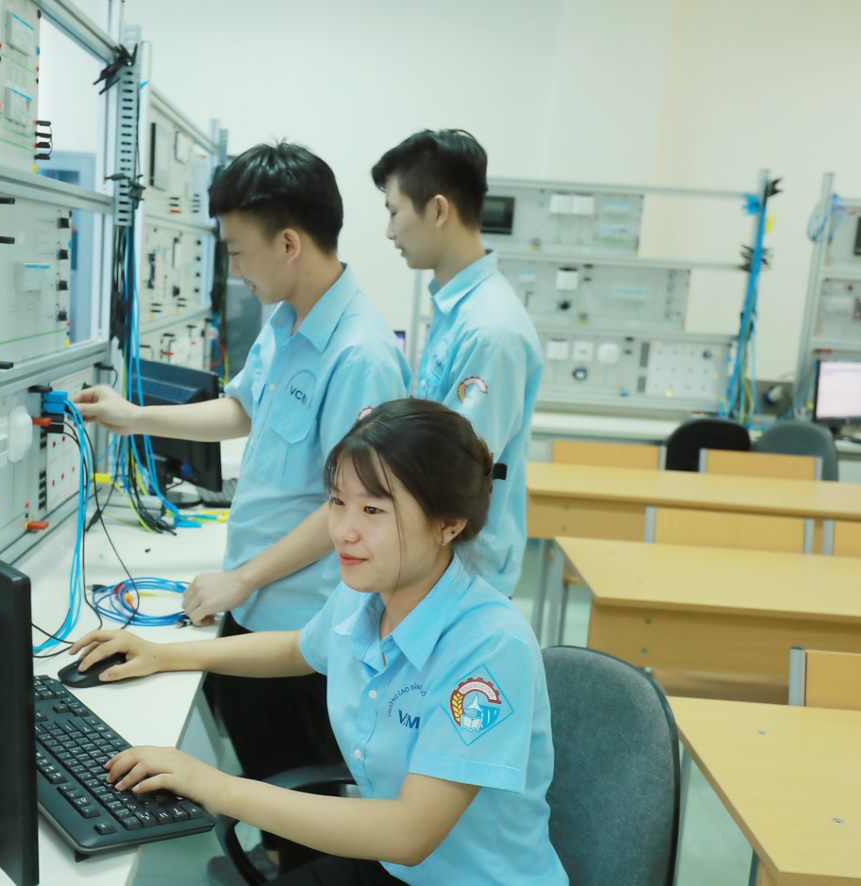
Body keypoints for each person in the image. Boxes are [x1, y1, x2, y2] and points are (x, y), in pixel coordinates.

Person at [76, 141, 410, 872]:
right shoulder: (290, 322)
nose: (233, 268)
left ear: (288, 243)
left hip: (303, 626)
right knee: (262, 773)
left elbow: (350, 514)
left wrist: (245, 578)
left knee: (303, 811)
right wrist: (134, 417)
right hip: (256, 604)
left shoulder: (359, 355)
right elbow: (241, 410)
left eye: (237, 250)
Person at [67, 399, 568, 885]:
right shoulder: (369, 593)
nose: (344, 531)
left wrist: (216, 786)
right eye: (338, 502)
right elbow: (296, 650)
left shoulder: (489, 648)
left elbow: (410, 834)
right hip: (389, 867)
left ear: (447, 524)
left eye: (373, 509)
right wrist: (163, 655)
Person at [371, 129, 543, 598]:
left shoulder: (491, 329)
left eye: (393, 212)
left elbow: (452, 475)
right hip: (434, 566)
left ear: (438, 210)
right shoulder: (457, 312)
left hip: (462, 578)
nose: (389, 232)